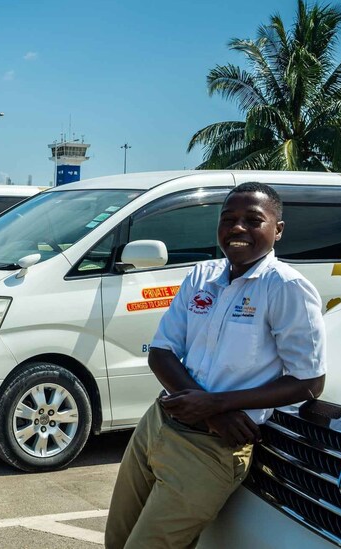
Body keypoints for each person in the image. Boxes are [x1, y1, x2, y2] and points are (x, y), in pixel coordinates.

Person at [105, 182, 327, 549]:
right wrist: (211, 409)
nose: (238, 228)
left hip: (210, 451)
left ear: (278, 230)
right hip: (157, 425)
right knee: (118, 539)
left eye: (253, 220)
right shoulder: (200, 277)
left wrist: (218, 407)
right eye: (229, 219)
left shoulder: (286, 287)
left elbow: (309, 382)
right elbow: (161, 352)